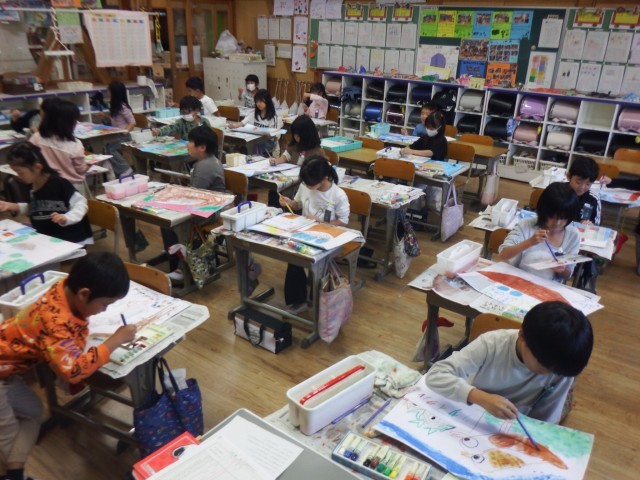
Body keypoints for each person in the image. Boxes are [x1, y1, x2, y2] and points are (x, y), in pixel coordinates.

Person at [0, 252, 137, 480]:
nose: (104, 310)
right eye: (105, 304)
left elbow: (70, 331)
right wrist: (114, 341)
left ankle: (13, 471)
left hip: (7, 373)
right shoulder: (54, 321)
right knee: (7, 432)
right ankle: (13, 474)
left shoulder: (65, 287)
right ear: (84, 294)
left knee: (33, 410)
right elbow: (73, 372)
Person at [424, 301, 593, 424]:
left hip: (514, 427)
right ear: (522, 336)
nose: (549, 374)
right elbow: (436, 374)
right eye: (543, 366)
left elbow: (544, 423)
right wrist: (480, 397)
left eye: (554, 371)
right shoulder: (492, 344)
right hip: (474, 412)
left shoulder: (560, 371)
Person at [278, 156, 349, 309]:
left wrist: (322, 222)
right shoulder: (305, 185)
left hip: (328, 236)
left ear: (324, 178)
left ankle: (318, 299)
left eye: (311, 183)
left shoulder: (338, 195)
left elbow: (343, 221)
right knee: (293, 254)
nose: (308, 186)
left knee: (316, 259)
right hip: (305, 232)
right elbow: (297, 204)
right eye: (306, 183)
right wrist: (288, 202)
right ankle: (298, 300)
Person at [162, 126, 225, 282]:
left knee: (169, 221)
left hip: (209, 211)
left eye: (190, 141)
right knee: (168, 215)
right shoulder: (206, 161)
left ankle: (182, 265)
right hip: (206, 205)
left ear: (202, 147)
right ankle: (175, 254)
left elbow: (195, 195)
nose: (187, 144)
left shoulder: (205, 166)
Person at [0, 142, 93, 245]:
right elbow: (36, 208)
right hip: (48, 237)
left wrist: (67, 218)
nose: (18, 176)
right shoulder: (30, 185)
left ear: (37, 167)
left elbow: (81, 204)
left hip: (72, 239)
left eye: (20, 172)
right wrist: (12, 206)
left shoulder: (59, 183)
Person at [499, 182, 580, 282]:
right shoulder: (526, 225)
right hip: (518, 281)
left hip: (548, 287)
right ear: (544, 211)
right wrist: (530, 242)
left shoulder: (573, 235)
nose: (558, 223)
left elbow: (567, 276)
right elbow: (503, 255)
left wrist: (563, 269)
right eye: (552, 217)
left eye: (563, 218)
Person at [29, 98, 88, 196]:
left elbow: (30, 158)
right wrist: (88, 165)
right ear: (68, 123)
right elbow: (80, 170)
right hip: (71, 188)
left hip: (45, 186)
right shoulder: (75, 145)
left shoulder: (36, 138)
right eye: (75, 120)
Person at [230, 89, 283, 157]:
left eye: (261, 101)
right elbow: (242, 123)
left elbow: (272, 135)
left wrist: (264, 132)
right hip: (255, 143)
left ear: (267, 101)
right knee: (242, 147)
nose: (258, 104)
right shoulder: (254, 113)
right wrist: (233, 125)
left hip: (268, 146)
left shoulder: (274, 117)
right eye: (257, 101)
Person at [99, 81, 135, 177]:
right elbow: (116, 120)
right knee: (106, 145)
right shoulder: (115, 106)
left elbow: (132, 122)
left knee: (110, 149)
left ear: (115, 93)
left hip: (124, 136)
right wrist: (105, 117)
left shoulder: (123, 107)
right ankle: (113, 169)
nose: (108, 93)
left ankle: (125, 169)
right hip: (116, 134)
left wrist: (125, 131)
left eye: (109, 91)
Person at [566, 155, 601, 225]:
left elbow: (596, 224)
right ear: (568, 176)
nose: (582, 187)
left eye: (588, 184)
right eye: (578, 182)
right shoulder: (558, 192)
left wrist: (591, 225)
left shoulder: (593, 199)